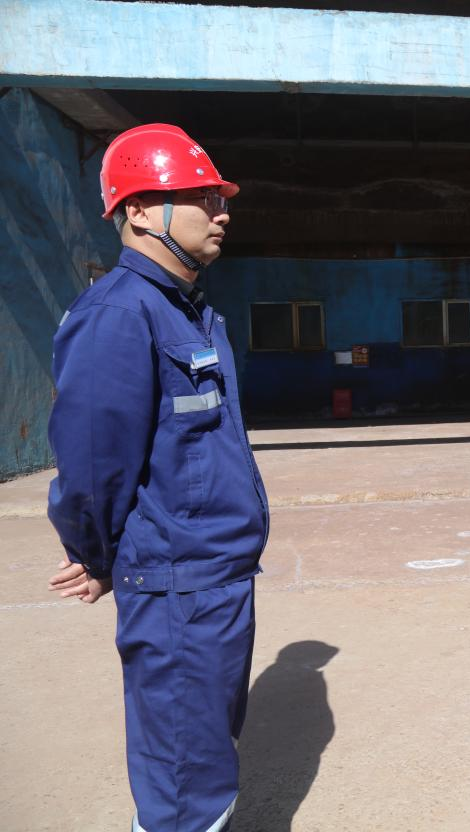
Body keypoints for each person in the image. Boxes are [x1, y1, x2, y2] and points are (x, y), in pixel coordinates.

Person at [46, 123, 268, 830]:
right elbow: (91, 465)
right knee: (183, 791)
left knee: (208, 763)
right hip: (178, 591)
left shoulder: (191, 313)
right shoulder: (118, 314)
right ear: (139, 210)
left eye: (221, 199)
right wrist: (95, 555)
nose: (221, 212)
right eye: (202, 198)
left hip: (217, 578)